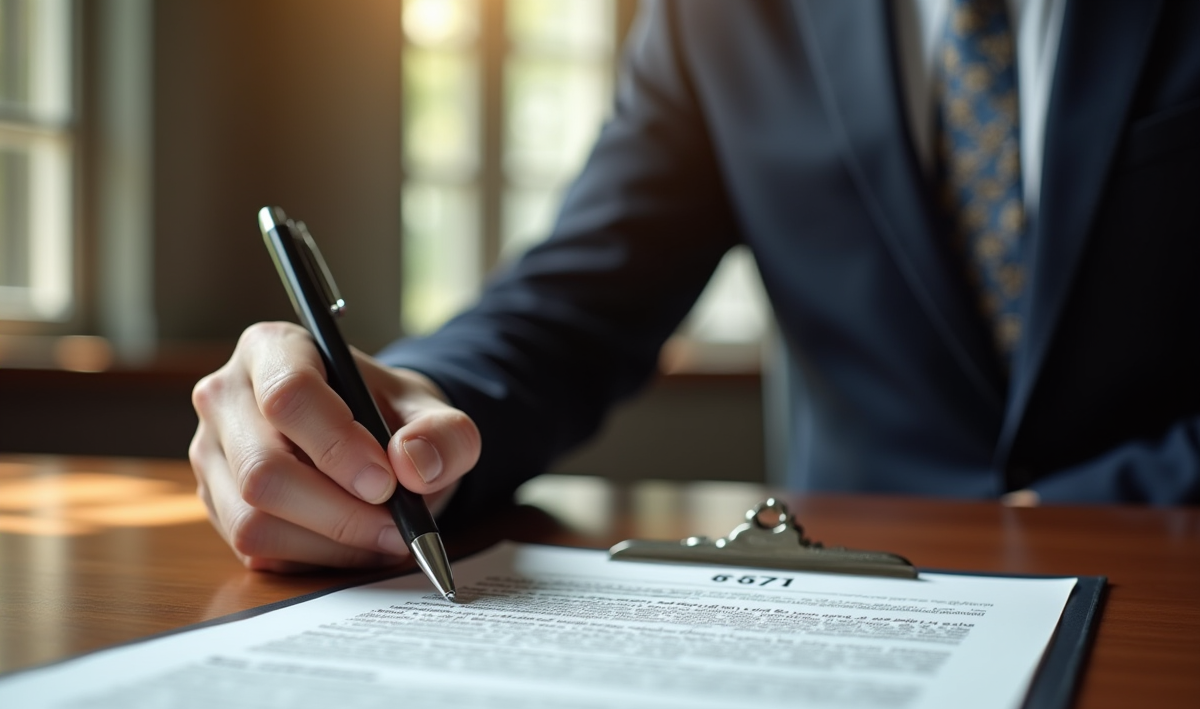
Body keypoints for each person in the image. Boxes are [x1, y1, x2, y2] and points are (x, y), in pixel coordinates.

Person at [190, 0, 1200, 571]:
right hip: (856, 606)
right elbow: (572, 308)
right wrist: (399, 409)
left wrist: (1088, 511)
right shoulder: (720, 18)